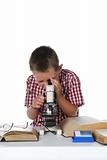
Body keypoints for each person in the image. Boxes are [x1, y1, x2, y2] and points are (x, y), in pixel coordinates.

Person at [25, 46, 84, 127]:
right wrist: (34, 106)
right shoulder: (31, 81)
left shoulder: (70, 78)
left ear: (59, 69)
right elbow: (31, 116)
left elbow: (73, 113)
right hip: (40, 128)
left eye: (51, 79)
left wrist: (59, 96)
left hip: (64, 128)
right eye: (41, 81)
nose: (46, 85)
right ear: (33, 74)